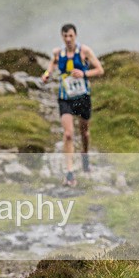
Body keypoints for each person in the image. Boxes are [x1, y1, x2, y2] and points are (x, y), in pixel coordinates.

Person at [41, 23, 104, 186]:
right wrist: (47, 74)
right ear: (62, 37)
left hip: (82, 96)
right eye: (65, 36)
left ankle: (85, 155)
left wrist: (84, 73)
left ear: (75, 36)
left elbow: (100, 70)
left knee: (84, 133)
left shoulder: (84, 51)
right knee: (68, 134)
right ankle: (69, 172)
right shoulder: (58, 53)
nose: (68, 39)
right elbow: (51, 66)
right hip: (65, 97)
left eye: (71, 36)